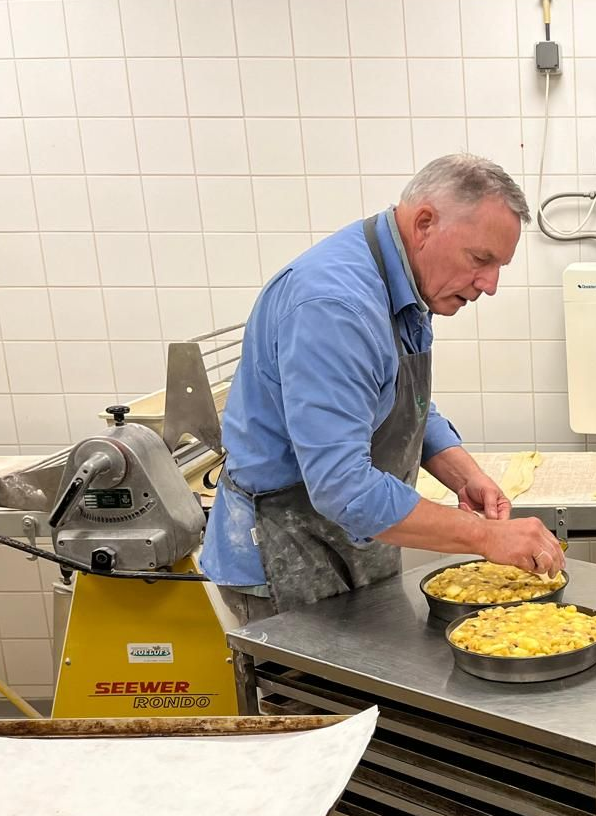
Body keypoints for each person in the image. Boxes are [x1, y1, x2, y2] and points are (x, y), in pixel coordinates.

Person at [202, 154, 565, 624]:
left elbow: (394, 395)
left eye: (500, 266)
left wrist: (462, 472)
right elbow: (343, 488)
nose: (490, 284)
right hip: (287, 552)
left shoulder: (405, 282)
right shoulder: (334, 307)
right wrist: (485, 537)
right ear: (425, 223)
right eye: (481, 259)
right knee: (321, 700)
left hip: (349, 541)